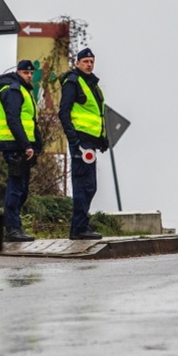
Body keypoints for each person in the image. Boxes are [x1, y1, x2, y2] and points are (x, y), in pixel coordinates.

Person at [58, 47, 108, 240]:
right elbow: (64, 112)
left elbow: (97, 115)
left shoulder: (93, 85)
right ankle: (79, 228)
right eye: (85, 61)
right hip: (81, 141)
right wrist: (74, 139)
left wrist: (102, 140)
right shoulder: (73, 82)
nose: (89, 64)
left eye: (91, 61)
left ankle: (80, 226)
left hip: (90, 142)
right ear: (78, 63)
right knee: (83, 184)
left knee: (90, 185)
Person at [0, 60, 42, 242]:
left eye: (31, 73)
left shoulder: (24, 90)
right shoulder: (14, 90)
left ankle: (14, 227)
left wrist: (36, 145)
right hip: (15, 147)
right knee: (16, 189)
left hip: (21, 146)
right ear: (18, 72)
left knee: (21, 189)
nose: (29, 75)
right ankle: (12, 229)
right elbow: (13, 120)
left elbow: (31, 121)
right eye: (25, 73)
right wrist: (26, 145)